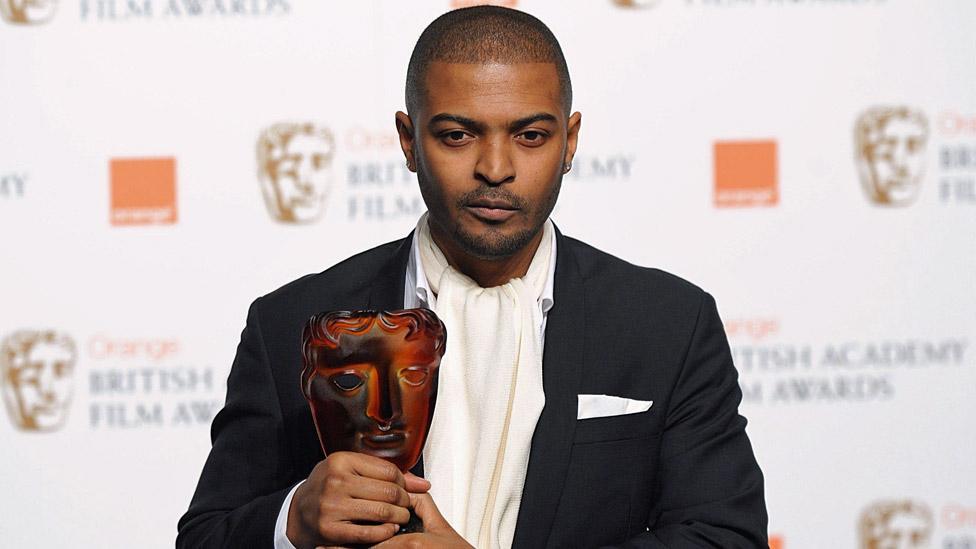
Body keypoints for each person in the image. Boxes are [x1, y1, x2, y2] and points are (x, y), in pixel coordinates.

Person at [178, 6, 767, 548]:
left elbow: (724, 538)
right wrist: (291, 520)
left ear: (571, 140)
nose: (495, 168)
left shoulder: (667, 322)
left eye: (530, 136)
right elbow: (204, 537)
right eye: (457, 135)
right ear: (409, 141)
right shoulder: (291, 321)